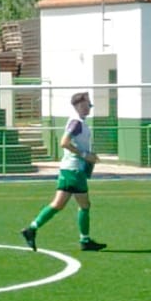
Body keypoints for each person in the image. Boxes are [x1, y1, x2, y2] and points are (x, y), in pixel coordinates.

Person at [22, 90, 106, 253]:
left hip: (70, 169)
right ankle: (85, 240)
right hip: (74, 169)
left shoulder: (78, 121)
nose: (90, 107)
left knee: (58, 204)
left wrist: (88, 155)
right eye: (88, 104)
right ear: (80, 104)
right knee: (84, 205)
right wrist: (85, 155)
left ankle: (32, 229)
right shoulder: (76, 122)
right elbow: (64, 142)